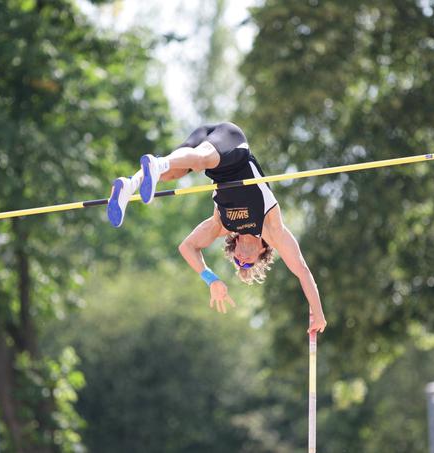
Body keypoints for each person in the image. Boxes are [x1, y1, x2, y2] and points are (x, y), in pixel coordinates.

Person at [107, 122, 327, 334]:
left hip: (211, 159)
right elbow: (302, 271)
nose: (240, 259)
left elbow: (188, 247)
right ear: (263, 252)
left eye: (237, 262)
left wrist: (211, 279)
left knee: (170, 174)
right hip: (232, 145)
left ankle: (130, 184)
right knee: (200, 160)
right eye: (246, 262)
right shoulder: (271, 228)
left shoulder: (223, 224)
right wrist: (318, 313)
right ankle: (157, 165)